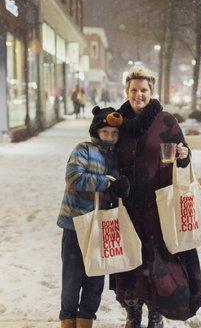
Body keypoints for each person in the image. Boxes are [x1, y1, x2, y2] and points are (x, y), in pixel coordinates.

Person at [111, 66, 201, 328]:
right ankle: (132, 313)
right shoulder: (116, 122)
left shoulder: (165, 121)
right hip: (126, 204)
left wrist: (184, 156)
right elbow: (105, 151)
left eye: (144, 90)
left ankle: (155, 311)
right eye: (134, 90)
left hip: (158, 205)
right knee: (130, 259)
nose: (139, 94)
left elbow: (184, 154)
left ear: (151, 92)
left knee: (157, 261)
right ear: (126, 91)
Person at [57, 105, 130, 328]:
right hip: (75, 224)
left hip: (101, 226)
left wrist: (120, 188)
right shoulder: (84, 149)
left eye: (115, 133)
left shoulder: (116, 158)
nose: (110, 137)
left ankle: (86, 319)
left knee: (95, 279)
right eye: (105, 132)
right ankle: (68, 319)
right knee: (72, 279)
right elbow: (73, 178)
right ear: (96, 131)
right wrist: (107, 181)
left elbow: (118, 185)